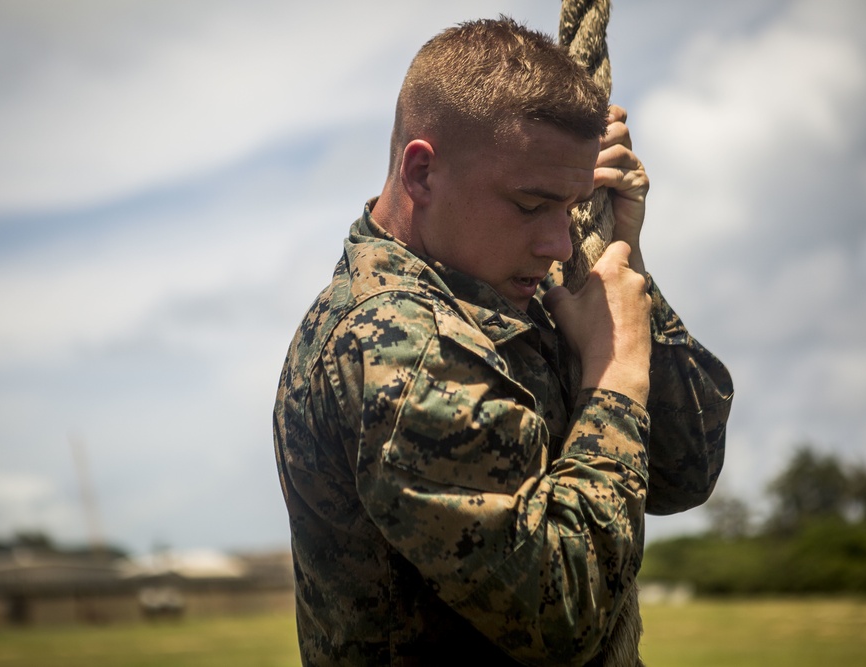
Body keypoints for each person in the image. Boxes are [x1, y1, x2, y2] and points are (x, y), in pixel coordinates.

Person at [273, 17, 732, 666]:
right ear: (423, 173)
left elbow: (682, 474)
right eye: (529, 204)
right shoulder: (404, 344)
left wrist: (624, 258)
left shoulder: (498, 290)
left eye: (569, 206)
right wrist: (617, 373)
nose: (558, 243)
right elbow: (563, 616)